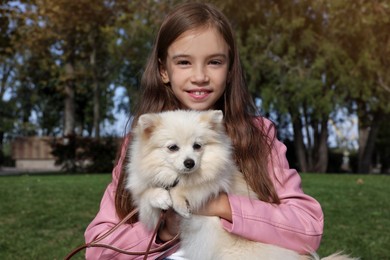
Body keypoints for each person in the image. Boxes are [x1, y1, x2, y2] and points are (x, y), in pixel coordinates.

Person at [84, 2, 324, 259]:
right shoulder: (143, 139)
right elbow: (98, 249)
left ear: (230, 69)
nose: (200, 76)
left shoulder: (258, 134)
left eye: (214, 62)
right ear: (164, 70)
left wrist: (221, 206)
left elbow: (307, 228)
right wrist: (164, 231)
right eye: (184, 62)